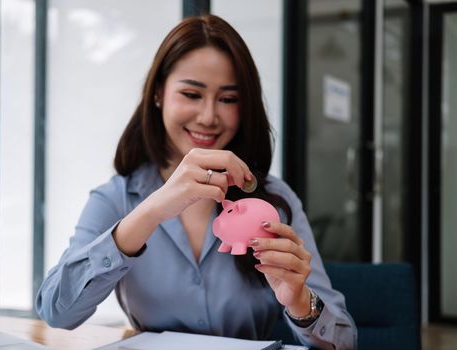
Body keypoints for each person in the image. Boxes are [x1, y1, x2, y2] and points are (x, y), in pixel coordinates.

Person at [36, 14, 357, 349]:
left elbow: (345, 340)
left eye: (228, 99)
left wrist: (302, 303)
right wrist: (150, 213)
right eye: (191, 94)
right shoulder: (115, 198)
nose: (208, 117)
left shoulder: (275, 199)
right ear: (158, 93)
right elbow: (57, 312)